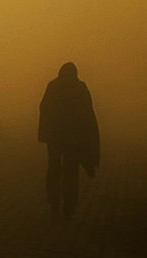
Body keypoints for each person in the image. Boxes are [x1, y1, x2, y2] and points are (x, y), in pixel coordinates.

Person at [38, 61, 100, 221]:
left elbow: (44, 109)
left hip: (55, 139)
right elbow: (88, 115)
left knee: (53, 170)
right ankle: (68, 207)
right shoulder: (80, 89)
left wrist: (46, 134)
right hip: (73, 140)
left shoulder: (53, 86)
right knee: (70, 173)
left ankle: (54, 204)